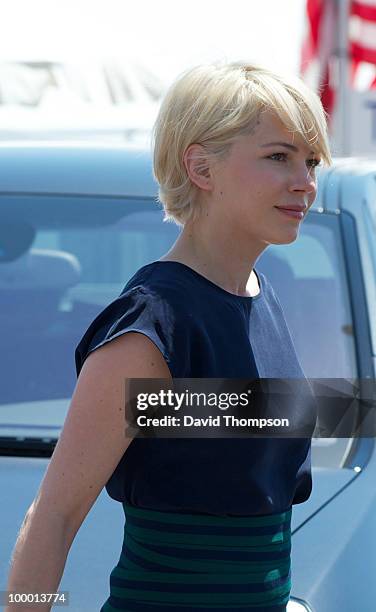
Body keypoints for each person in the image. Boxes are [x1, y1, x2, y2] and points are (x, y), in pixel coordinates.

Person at [6, 61, 332, 612]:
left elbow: (230, 425)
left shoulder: (258, 297)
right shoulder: (151, 325)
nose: (304, 181)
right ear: (201, 168)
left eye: (311, 161)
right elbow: (55, 517)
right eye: (278, 157)